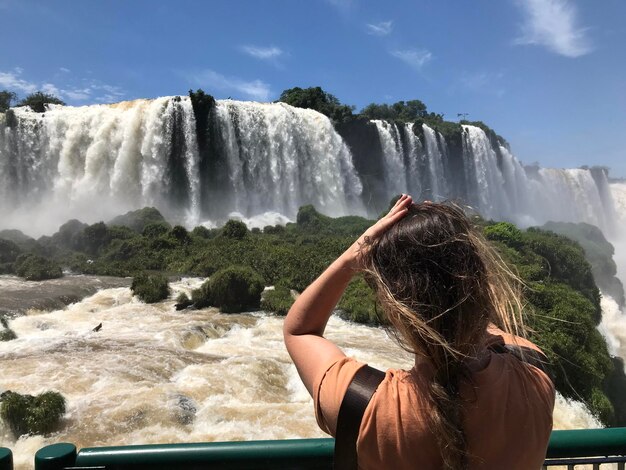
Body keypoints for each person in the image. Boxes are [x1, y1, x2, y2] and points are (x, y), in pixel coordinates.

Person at [283, 194, 555, 469]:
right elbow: (483, 325)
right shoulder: (535, 374)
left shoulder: (365, 406)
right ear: (479, 283)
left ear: (395, 308)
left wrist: (355, 254)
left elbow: (300, 330)